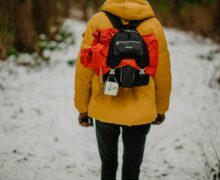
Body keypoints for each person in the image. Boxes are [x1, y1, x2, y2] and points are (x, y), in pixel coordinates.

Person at [74, 0, 172, 180]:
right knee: (132, 168)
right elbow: (162, 73)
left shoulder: (98, 21)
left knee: (108, 165)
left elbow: (84, 69)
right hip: (140, 110)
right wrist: (160, 109)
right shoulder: (153, 25)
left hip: (105, 105)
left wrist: (83, 109)